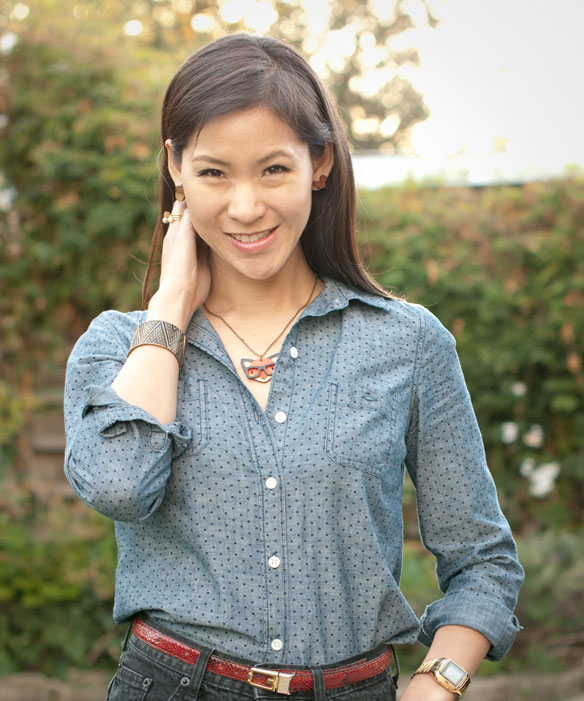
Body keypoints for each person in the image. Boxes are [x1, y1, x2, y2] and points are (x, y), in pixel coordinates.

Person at [64, 33, 523, 701]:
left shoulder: (408, 342)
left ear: (321, 163)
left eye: (273, 169)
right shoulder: (119, 347)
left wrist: (436, 683)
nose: (245, 206)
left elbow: (483, 562)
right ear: (176, 169)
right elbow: (118, 485)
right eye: (215, 172)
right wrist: (168, 306)